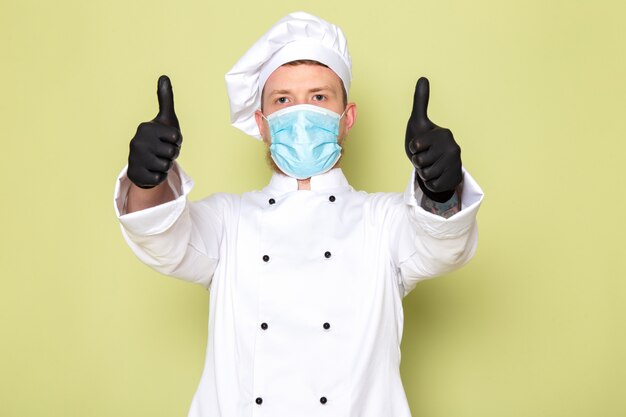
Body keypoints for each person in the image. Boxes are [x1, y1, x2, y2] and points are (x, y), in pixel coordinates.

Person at [114, 11, 483, 417]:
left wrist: (440, 189)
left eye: (319, 97)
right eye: (283, 100)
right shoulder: (228, 222)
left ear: (348, 118)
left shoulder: (383, 221)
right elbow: (162, 238)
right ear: (262, 123)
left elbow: (441, 244)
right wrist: (148, 181)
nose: (301, 114)